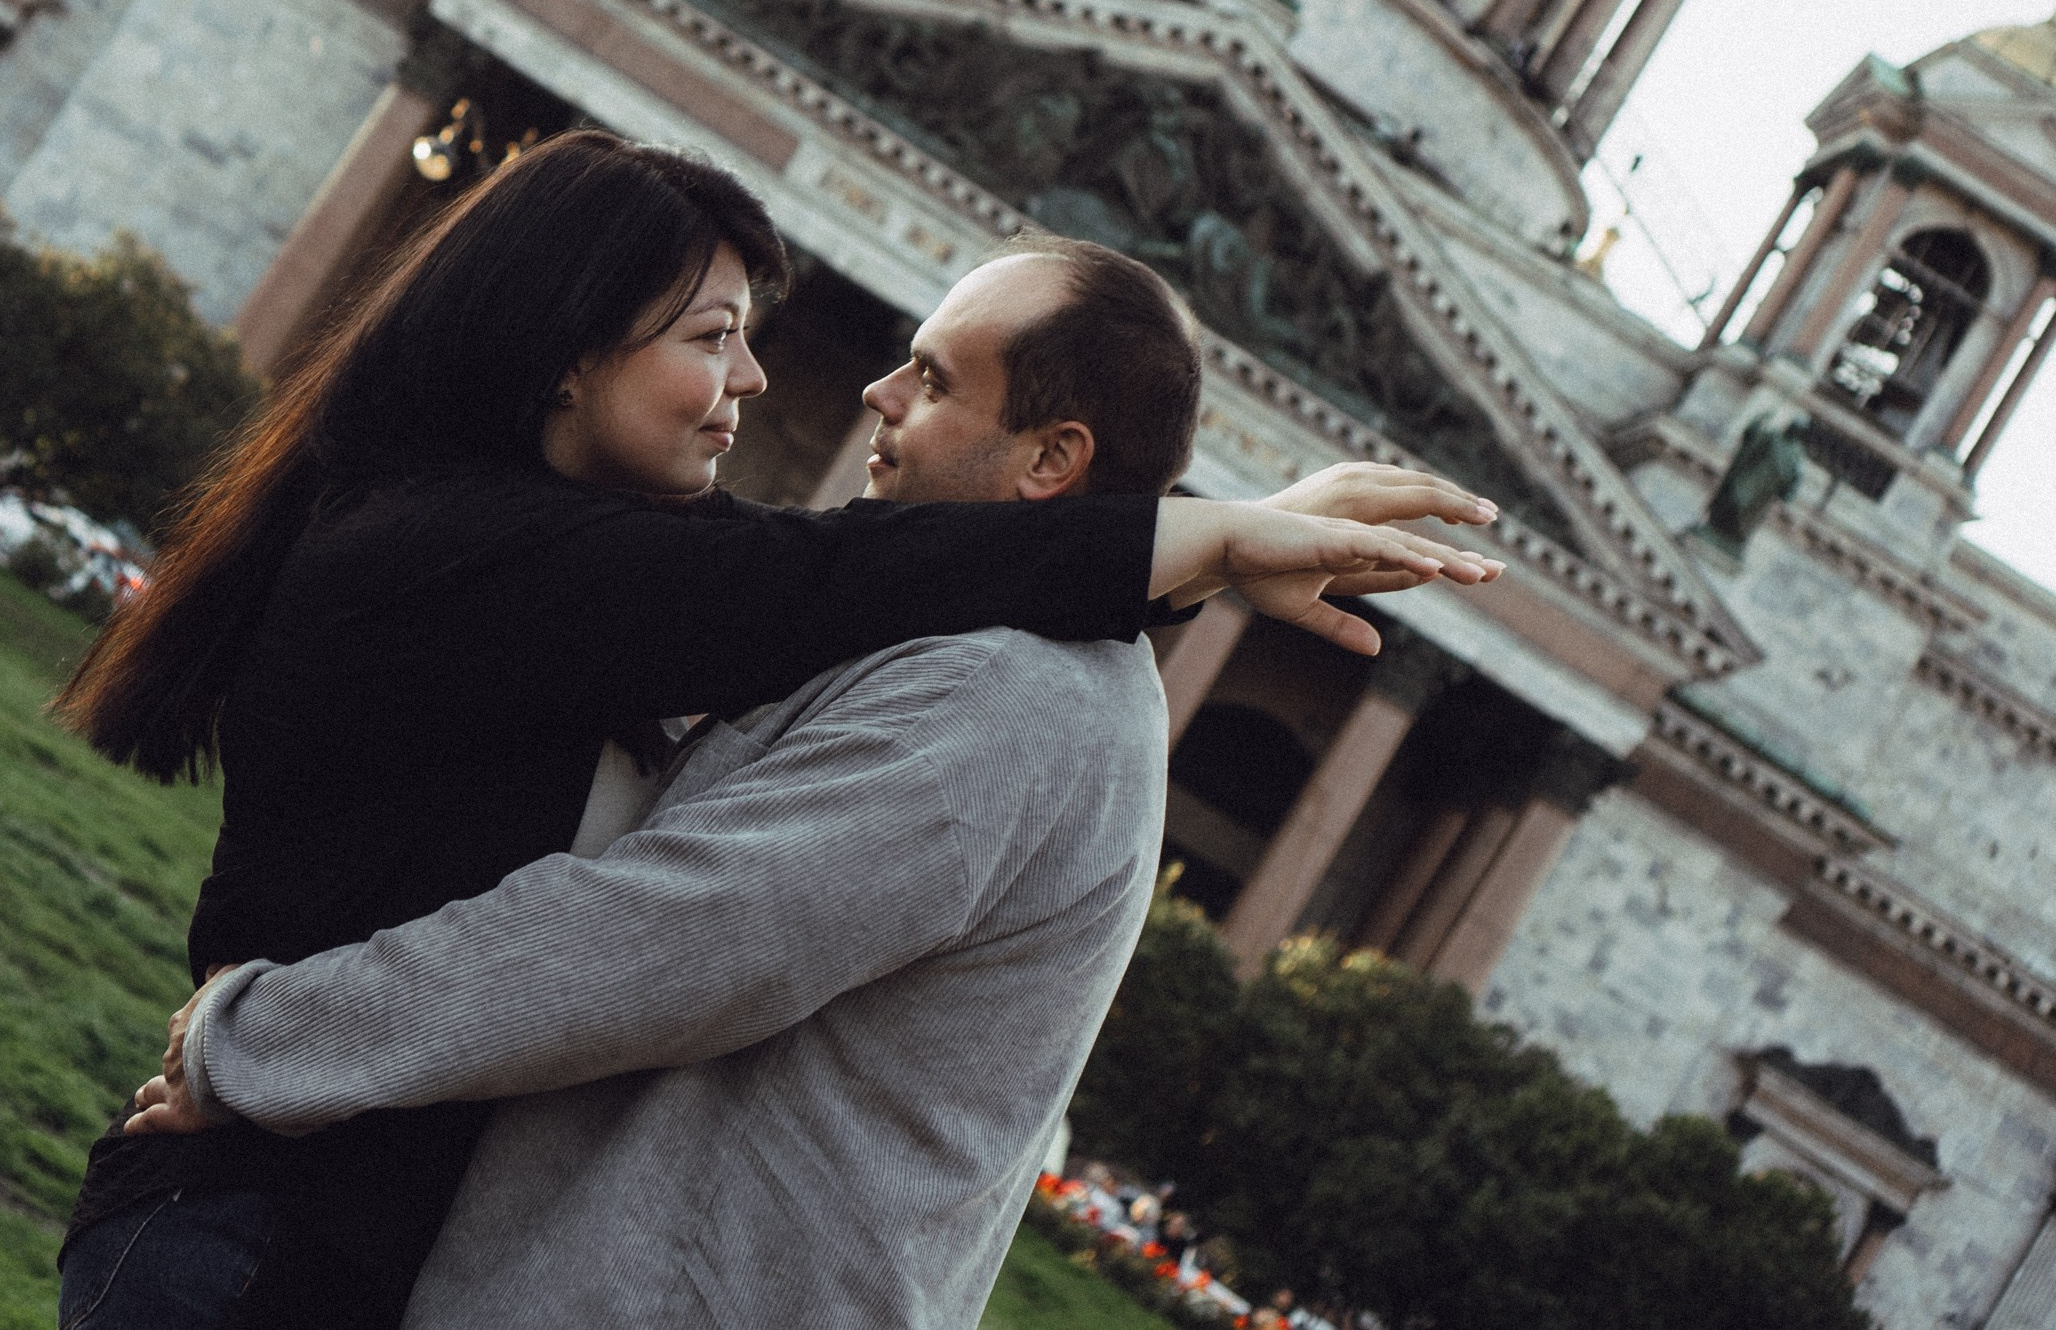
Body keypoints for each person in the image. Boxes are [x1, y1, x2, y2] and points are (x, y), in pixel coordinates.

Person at [116, 234, 1503, 1327]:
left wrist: (266, 1041)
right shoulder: (977, 656)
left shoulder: (1005, 700)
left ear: (1052, 461)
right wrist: (1194, 552)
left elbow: (667, 937)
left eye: (936, 376)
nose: (877, 396)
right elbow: (798, 591)